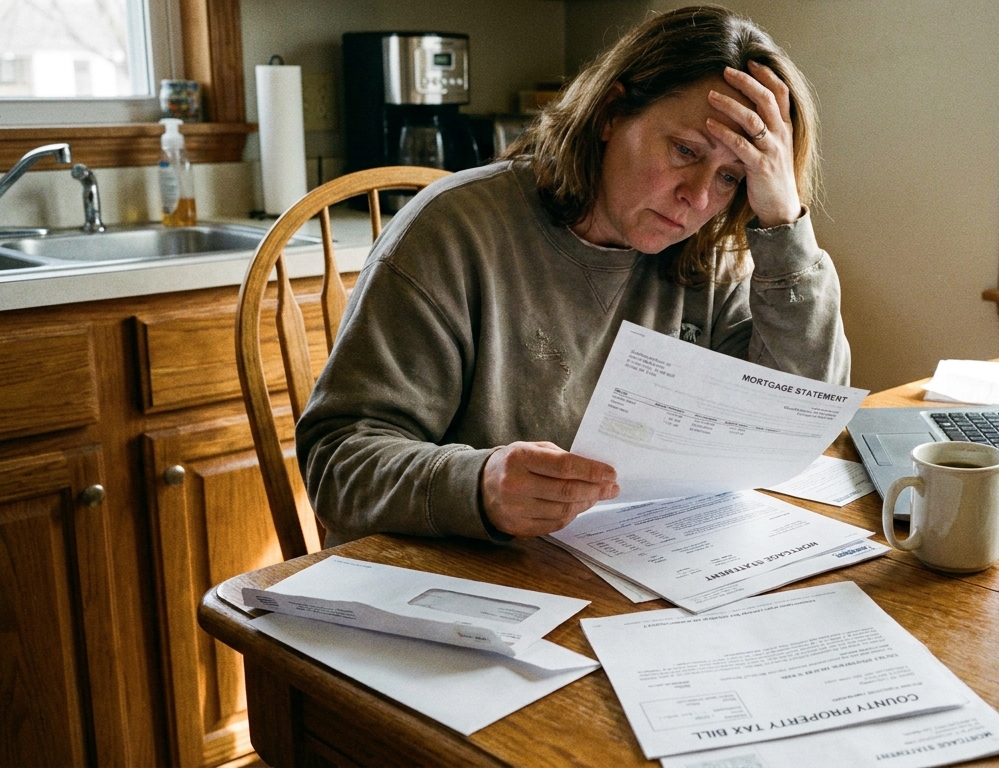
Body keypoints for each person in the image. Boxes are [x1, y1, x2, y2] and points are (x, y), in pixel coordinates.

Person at [297, 5, 849, 546]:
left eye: (731, 176)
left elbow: (794, 422)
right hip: (467, 579)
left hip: (634, 575)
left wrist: (783, 220)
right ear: (611, 113)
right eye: (684, 150)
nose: (699, 197)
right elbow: (338, 460)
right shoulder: (452, 232)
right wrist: (478, 485)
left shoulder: (710, 252)